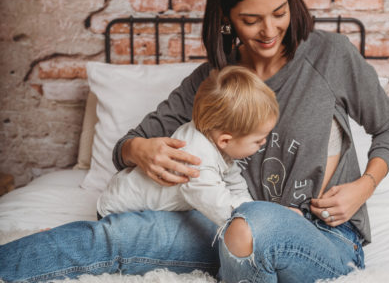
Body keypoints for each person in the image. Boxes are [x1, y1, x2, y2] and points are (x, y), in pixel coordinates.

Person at [0, 0, 389, 283]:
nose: (269, 30)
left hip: (324, 238)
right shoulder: (214, 81)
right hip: (224, 229)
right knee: (116, 234)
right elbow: (127, 144)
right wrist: (140, 150)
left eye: (279, 12)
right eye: (251, 19)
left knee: (254, 221)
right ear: (227, 19)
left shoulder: (330, 55)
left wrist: (364, 186)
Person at [97, 65, 279, 227]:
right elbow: (218, 205)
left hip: (143, 206)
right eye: (258, 140)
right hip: (119, 211)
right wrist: (258, 221)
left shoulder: (213, 139)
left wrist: (253, 208)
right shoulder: (196, 158)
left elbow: (235, 183)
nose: (264, 142)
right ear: (225, 140)